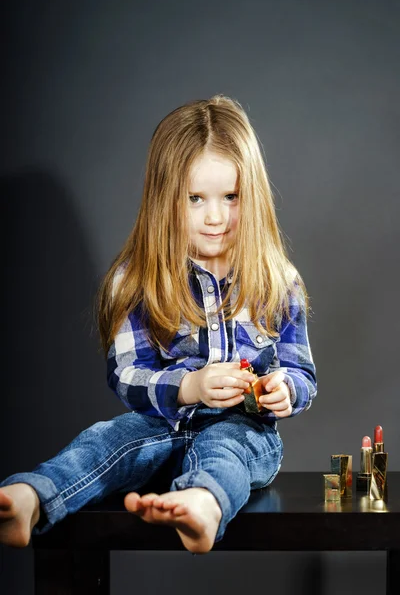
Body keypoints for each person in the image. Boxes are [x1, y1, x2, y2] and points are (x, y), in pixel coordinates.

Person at [0, 94, 317, 555]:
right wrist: (189, 386)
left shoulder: (277, 278)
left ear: (253, 196)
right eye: (195, 199)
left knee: (224, 451)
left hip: (245, 429)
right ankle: (29, 499)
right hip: (159, 424)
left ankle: (202, 506)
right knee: (103, 442)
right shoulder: (137, 279)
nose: (216, 217)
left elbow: (302, 373)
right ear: (164, 198)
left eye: (231, 197)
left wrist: (284, 390)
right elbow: (126, 374)